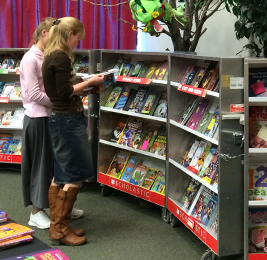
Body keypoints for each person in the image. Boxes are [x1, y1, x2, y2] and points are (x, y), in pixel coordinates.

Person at [42, 17, 104, 246]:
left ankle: (59, 226)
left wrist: (88, 89)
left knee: (61, 175)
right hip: (68, 122)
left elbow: (61, 93)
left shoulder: (51, 55)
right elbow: (65, 90)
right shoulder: (60, 56)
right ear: (70, 35)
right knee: (74, 176)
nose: (78, 42)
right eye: (78, 38)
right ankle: (59, 230)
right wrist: (90, 82)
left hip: (61, 119)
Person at [20, 17, 84, 231]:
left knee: (58, 164)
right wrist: (60, 100)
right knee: (41, 165)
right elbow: (34, 94)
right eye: (54, 35)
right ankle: (36, 212)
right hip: (38, 118)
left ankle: (60, 205)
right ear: (44, 34)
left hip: (53, 117)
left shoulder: (49, 56)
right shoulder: (30, 59)